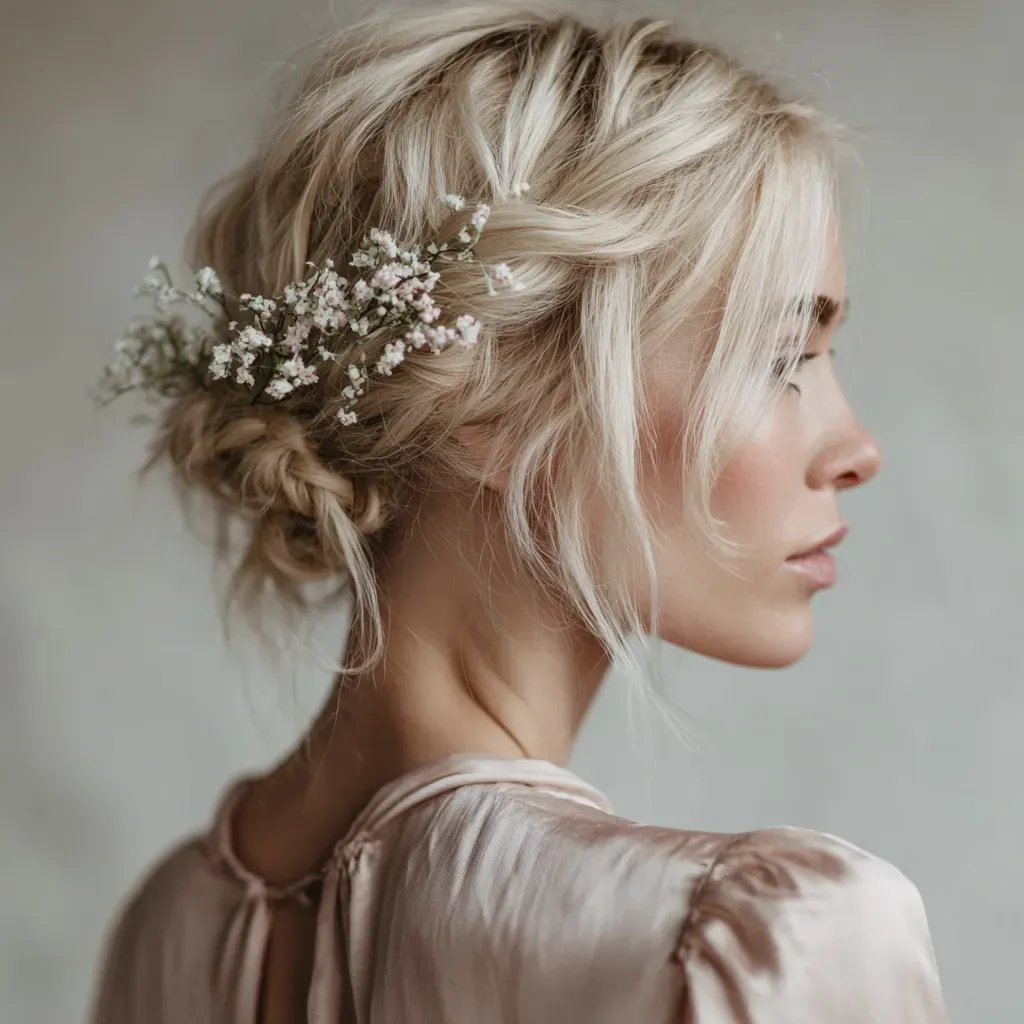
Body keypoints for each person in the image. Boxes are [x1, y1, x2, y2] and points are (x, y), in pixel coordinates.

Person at [88, 2, 949, 1021]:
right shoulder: (772, 942)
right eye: (778, 358)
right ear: (487, 404)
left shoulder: (166, 925)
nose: (858, 450)